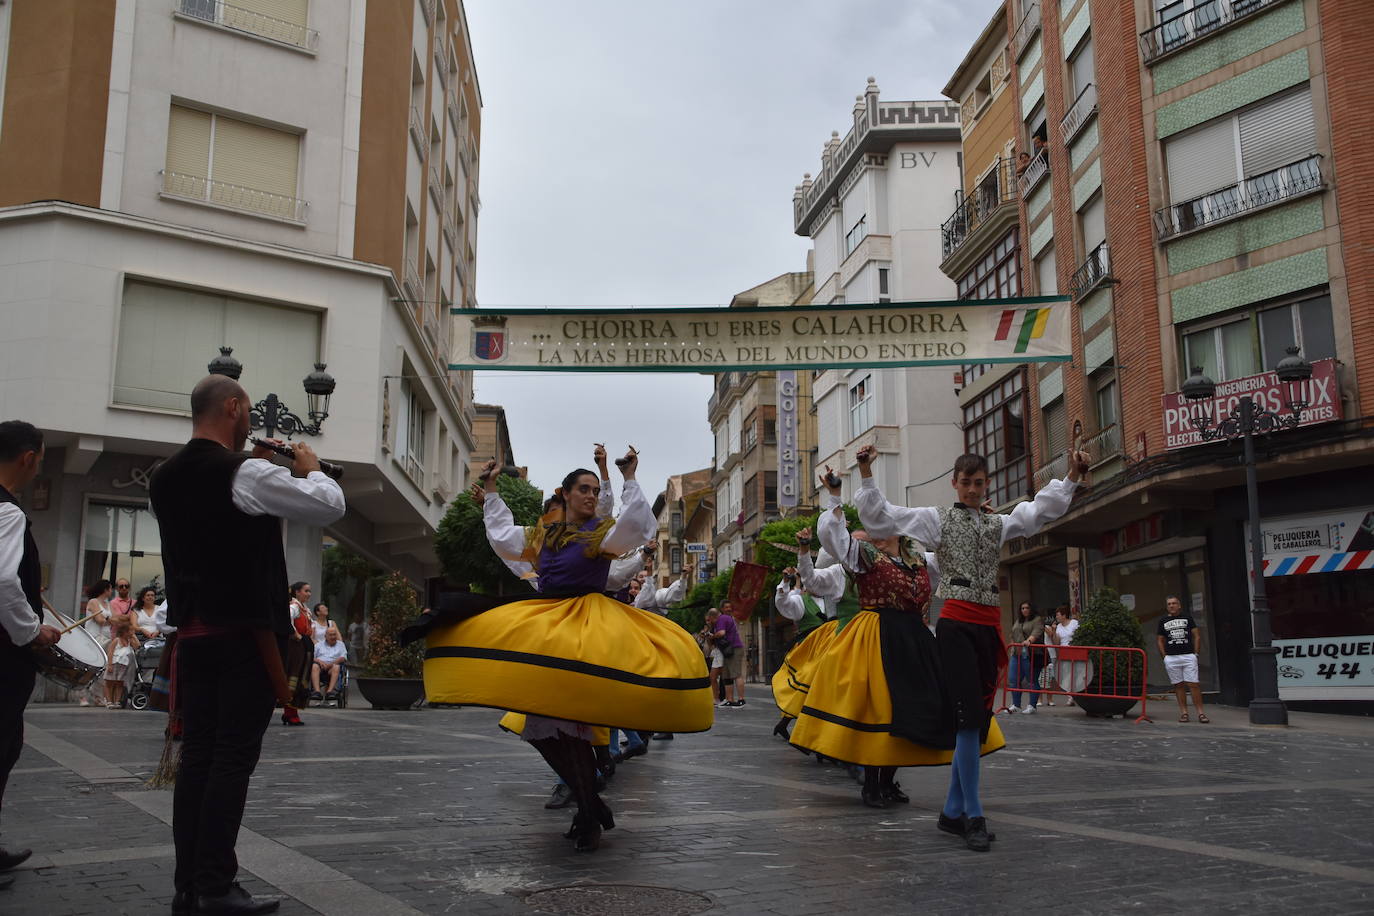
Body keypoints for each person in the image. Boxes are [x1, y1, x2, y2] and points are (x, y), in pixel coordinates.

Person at [412, 450, 711, 852]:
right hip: (547, 627)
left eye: (593, 490)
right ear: (565, 494)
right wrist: (492, 487)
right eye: (582, 489)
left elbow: (638, 524)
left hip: (586, 628)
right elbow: (502, 537)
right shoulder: (542, 535)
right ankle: (592, 804)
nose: (589, 496)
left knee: (571, 730)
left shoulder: (601, 535)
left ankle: (588, 812)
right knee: (543, 731)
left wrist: (628, 476)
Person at [149, 374, 345, 915]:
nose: (253, 421)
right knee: (232, 760)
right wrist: (311, 470)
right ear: (233, 408)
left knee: (199, 759)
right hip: (244, 638)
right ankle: (215, 885)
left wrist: (258, 465)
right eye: (249, 410)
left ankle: (188, 883)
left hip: (193, 636)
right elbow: (328, 506)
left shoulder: (163, 476)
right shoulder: (245, 471)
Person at [854, 444, 1087, 852]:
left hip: (987, 624)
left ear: (987, 484)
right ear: (955, 484)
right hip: (957, 622)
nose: (974, 490)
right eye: (967, 483)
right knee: (966, 718)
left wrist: (1071, 476)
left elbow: (1035, 513)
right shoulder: (936, 519)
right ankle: (973, 815)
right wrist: (866, 471)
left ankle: (951, 811)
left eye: (979, 483)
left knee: (976, 720)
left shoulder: (997, 522)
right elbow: (883, 517)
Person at [792, 468, 1002, 808]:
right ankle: (872, 784)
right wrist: (833, 495)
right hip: (876, 637)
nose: (876, 531)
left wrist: (978, 523)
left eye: (881, 524)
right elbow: (834, 539)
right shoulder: (863, 558)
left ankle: (889, 781)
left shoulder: (921, 561)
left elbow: (959, 556)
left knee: (912, 709)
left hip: (915, 639)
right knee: (881, 711)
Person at [0, 420, 63, 891]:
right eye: (39, 459)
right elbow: (3, 581)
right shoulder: (8, 513)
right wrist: (31, 632)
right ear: (28, 457)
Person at [1157, 595, 1208, 723]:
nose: (1171, 606)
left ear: (1179, 605)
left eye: (1174, 603)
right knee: (1178, 685)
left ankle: (1201, 713)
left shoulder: (1187, 618)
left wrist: (1195, 653)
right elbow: (1160, 640)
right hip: (1171, 658)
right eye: (1169, 604)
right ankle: (1184, 713)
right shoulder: (1163, 621)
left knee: (1193, 684)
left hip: (1188, 655)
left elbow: (1196, 635)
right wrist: (1165, 657)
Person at [282, 582, 313, 726]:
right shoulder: (293, 607)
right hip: (295, 647)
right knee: (293, 677)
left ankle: (291, 713)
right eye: (306, 591)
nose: (309, 594)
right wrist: (296, 635)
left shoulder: (304, 609)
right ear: (297, 592)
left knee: (300, 678)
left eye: (309, 591)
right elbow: (286, 622)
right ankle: (290, 713)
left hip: (303, 647)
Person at [80, 580, 114, 707]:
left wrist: (109, 620)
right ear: (105, 589)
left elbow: (115, 619)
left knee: (103, 667)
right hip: (93, 637)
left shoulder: (108, 604)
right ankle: (83, 696)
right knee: (89, 666)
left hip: (106, 637)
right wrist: (111, 620)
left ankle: (97, 696)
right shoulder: (93, 602)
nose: (111, 591)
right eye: (110, 589)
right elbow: (99, 620)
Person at [1007, 602, 1043, 714]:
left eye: (1027, 607)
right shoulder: (1019, 620)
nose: (1024, 610)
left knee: (1031, 680)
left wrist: (1029, 641)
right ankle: (1016, 704)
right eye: (1022, 608)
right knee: (1013, 679)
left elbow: (1037, 632)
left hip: (1030, 653)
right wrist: (1012, 646)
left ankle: (1032, 705)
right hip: (1016, 653)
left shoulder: (1037, 619)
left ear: (1031, 609)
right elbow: (1012, 633)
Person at [711, 602, 746, 706]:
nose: (729, 609)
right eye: (726, 607)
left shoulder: (723, 618)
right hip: (728, 650)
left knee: (736, 674)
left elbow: (722, 633)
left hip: (734, 649)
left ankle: (741, 700)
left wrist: (712, 636)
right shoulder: (729, 618)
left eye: (730, 607)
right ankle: (729, 699)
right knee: (727, 676)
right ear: (721, 608)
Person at [103, 614, 141, 709]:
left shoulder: (129, 641)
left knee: (119, 683)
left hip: (123, 665)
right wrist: (110, 664)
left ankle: (117, 701)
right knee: (109, 683)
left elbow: (138, 646)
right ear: (124, 632)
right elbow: (110, 652)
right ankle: (108, 701)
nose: (133, 632)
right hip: (114, 663)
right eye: (131, 630)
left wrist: (134, 637)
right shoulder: (116, 640)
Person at [1046, 606, 1081, 707]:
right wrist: (1054, 631)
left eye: (1058, 615)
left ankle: (1075, 695)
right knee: (1067, 675)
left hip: (1074, 650)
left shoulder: (1074, 623)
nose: (1056, 617)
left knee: (1075, 674)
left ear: (1064, 615)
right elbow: (1056, 643)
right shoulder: (1058, 627)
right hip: (1064, 652)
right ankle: (1070, 697)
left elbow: (1079, 634)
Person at [311, 627, 347, 701]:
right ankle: (317, 692)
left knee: (336, 667)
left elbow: (343, 657)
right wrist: (319, 661)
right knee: (314, 666)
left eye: (334, 634)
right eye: (330, 635)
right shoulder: (318, 645)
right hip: (320, 667)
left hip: (333, 669)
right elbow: (312, 657)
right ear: (325, 636)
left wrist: (331, 664)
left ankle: (329, 692)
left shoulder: (341, 645)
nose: (333, 637)